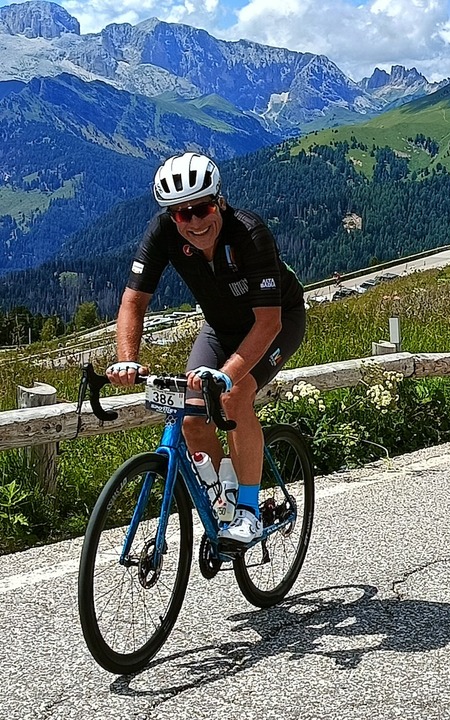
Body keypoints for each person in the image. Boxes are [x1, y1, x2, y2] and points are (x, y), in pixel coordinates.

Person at [106, 152, 306, 544]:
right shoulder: (163, 232)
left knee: (235, 395)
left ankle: (248, 511)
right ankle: (225, 504)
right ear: (172, 217)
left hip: (277, 323)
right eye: (183, 214)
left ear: (219, 201)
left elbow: (269, 322)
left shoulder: (249, 233)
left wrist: (227, 375)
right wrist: (127, 360)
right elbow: (133, 301)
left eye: (202, 208)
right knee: (190, 418)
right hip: (219, 328)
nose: (195, 222)